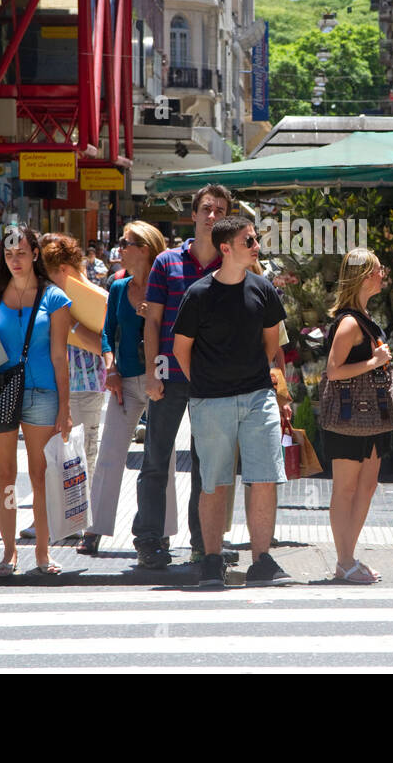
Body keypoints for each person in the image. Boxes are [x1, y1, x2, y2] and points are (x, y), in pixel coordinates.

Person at [173, 215, 291, 588]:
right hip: (211, 401)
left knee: (264, 479)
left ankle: (262, 561)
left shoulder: (264, 289)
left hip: (258, 396)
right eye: (249, 241)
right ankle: (211, 561)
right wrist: (206, 385)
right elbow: (181, 350)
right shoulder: (199, 295)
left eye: (255, 240)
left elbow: (272, 343)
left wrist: (254, 377)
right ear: (226, 249)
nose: (256, 247)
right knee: (214, 482)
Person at [0, 225, 72, 576]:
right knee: (4, 476)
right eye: (9, 254)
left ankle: (42, 551)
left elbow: (60, 357)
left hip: (42, 393)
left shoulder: (54, 297)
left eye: (22, 253)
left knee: (40, 475)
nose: (15, 260)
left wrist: (66, 409)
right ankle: (9, 551)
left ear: (35, 254)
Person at [136, 185, 229, 568]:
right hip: (170, 376)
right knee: (157, 460)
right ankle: (149, 541)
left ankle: (201, 541)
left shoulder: (231, 265)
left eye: (220, 210)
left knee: (206, 467)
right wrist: (151, 374)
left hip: (212, 381)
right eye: (206, 208)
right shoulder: (167, 263)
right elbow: (153, 321)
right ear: (193, 215)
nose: (212, 215)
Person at [82, 221, 176, 556]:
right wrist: (110, 365)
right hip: (125, 380)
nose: (119, 248)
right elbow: (108, 331)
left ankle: (161, 530)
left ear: (146, 248)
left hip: (159, 381)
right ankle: (95, 528)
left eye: (126, 242)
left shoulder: (166, 287)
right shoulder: (119, 287)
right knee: (109, 454)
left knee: (160, 458)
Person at [322, 247, 393, 583]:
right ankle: (344, 560)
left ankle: (348, 557)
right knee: (346, 489)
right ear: (366, 275)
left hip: (370, 417)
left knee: (366, 487)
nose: (384, 274)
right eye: (379, 269)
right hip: (350, 417)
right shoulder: (350, 322)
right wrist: (374, 362)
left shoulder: (363, 317)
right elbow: (333, 371)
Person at [39, 233, 108, 534]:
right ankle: (60, 519)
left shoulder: (96, 297)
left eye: (50, 274)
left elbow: (103, 346)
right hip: (57, 384)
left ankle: (80, 523)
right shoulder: (55, 298)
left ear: (64, 271)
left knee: (82, 456)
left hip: (87, 384)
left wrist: (71, 325)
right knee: (56, 454)